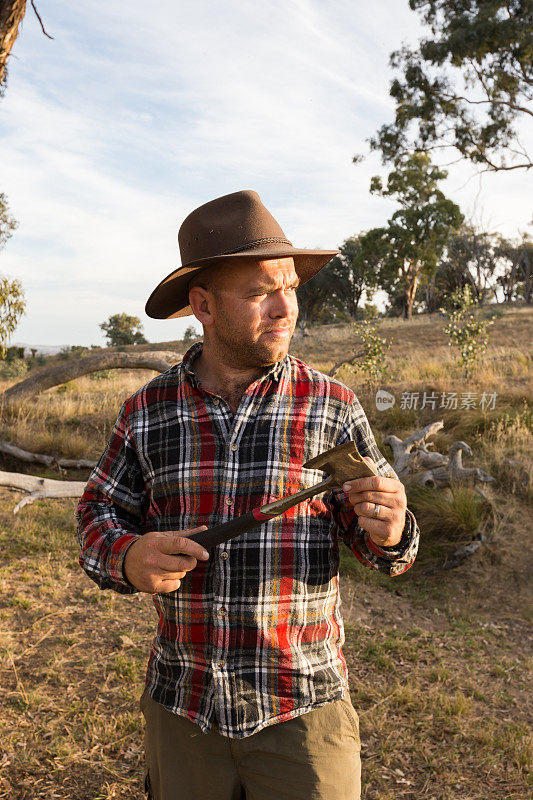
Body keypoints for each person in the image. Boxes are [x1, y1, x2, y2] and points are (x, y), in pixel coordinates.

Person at [76, 189, 419, 800]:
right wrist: (128, 557)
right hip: (184, 709)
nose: (286, 308)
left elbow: (382, 547)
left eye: (290, 286)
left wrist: (390, 530)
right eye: (261, 292)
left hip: (303, 709)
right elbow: (96, 515)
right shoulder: (147, 412)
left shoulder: (332, 407)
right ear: (202, 305)